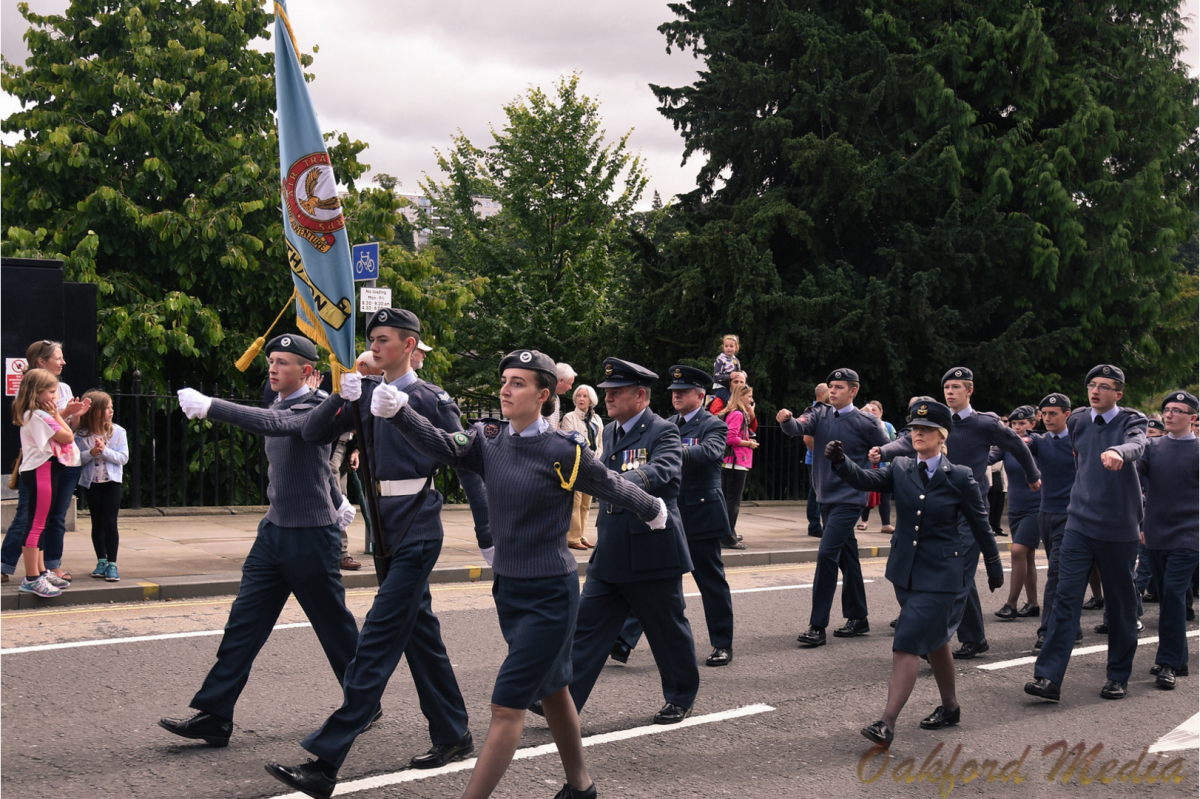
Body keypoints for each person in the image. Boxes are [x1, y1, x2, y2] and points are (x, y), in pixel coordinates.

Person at [308, 349, 667, 799]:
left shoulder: (562, 451)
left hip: (549, 597)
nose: (505, 388)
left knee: (505, 706)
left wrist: (652, 508)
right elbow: (442, 443)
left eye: (518, 382)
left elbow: (609, 483)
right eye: (504, 380)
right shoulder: (488, 439)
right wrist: (400, 413)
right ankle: (581, 786)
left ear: (543, 394)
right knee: (555, 690)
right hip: (510, 593)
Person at [272, 309, 492, 785]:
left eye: (384, 340)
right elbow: (311, 434)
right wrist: (341, 393)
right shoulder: (366, 392)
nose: (374, 347)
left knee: (375, 640)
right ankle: (453, 732)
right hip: (385, 532)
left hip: (418, 527)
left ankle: (325, 761)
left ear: (409, 346)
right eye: (371, 339)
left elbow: (467, 460)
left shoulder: (430, 397)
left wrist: (487, 534)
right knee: (421, 637)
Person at [158, 334, 362, 748]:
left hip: (310, 537)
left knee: (334, 629)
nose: (272, 368)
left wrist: (213, 406)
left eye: (283, 362)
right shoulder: (279, 401)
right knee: (243, 626)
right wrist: (338, 498)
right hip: (273, 534)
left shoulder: (312, 406)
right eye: (271, 360)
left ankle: (364, 701)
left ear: (306, 371)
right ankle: (215, 714)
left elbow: (280, 427)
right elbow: (317, 463)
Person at [828, 399, 1003, 748]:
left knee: (906, 643)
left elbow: (981, 524)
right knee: (936, 642)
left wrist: (994, 564)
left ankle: (886, 723)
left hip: (942, 575)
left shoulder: (961, 476)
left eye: (924, 430)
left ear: (941, 437)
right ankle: (951, 707)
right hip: (906, 572)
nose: (916, 434)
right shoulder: (901, 467)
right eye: (913, 429)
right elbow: (865, 478)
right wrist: (841, 462)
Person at [544, 357, 699, 725]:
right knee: (587, 626)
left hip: (651, 548)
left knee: (665, 628)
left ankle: (681, 695)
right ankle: (565, 700)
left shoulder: (663, 431)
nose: (608, 397)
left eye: (616, 392)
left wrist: (618, 484)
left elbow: (663, 470)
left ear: (641, 395)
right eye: (607, 392)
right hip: (612, 547)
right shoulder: (611, 431)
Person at [872, 367, 1041, 660]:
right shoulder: (939, 420)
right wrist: (883, 452)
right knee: (960, 576)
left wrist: (1033, 476)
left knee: (956, 574)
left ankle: (934, 640)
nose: (950, 392)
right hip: (940, 510)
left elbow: (1015, 444)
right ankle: (975, 638)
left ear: (969, 391)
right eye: (947, 387)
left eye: (956, 387)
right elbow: (906, 441)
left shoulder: (985, 423)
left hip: (970, 509)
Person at [1025, 364, 1148, 703]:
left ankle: (1118, 676)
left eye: (1105, 386)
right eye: (1092, 385)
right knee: (1066, 597)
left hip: (1119, 527)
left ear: (1118, 394)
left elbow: (1138, 444)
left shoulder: (1131, 420)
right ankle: (1048, 677)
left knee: (1121, 605)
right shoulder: (1078, 420)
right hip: (1079, 521)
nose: (1096, 391)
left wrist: (1118, 452)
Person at [613, 365, 738, 668]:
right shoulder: (665, 424)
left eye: (683, 392)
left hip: (700, 514)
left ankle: (722, 643)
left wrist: (670, 453)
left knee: (710, 582)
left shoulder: (713, 425)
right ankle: (625, 640)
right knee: (656, 579)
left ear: (701, 396)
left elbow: (710, 453)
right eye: (674, 392)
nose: (676, 396)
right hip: (667, 514)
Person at [779, 368, 891, 646]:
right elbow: (797, 427)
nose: (832, 391)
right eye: (831, 386)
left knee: (827, 555)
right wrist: (786, 420)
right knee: (847, 556)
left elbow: (890, 448)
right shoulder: (819, 413)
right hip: (824, 497)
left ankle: (817, 625)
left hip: (851, 497)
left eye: (839, 387)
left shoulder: (867, 421)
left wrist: (881, 456)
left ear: (853, 391)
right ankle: (858, 616)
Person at [0, 340, 90, 583]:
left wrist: (74, 415)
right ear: (41, 362)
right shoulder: (30, 391)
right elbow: (49, 426)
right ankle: (11, 568)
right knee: (29, 518)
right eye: (58, 358)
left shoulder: (64, 388)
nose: (63, 362)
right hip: (43, 463)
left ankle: (48, 568)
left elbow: (70, 430)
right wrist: (61, 414)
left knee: (54, 517)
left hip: (64, 461)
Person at [1136, 391, 1198, 690]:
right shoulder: (1152, 447)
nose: (1169, 414)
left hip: (1188, 535)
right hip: (1155, 533)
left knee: (1173, 595)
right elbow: (1133, 475)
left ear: (1193, 418)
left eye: (1177, 410)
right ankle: (1180, 658)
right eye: (1167, 409)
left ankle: (1168, 663)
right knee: (1165, 597)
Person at [10, 368, 80, 598]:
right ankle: (31, 578)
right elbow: (68, 436)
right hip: (42, 470)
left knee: (42, 522)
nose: (54, 396)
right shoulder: (39, 415)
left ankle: (40, 571)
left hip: (43, 470)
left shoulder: (35, 414)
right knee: (37, 524)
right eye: (51, 391)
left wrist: (57, 414)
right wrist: (60, 415)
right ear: (37, 392)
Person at [1025, 394, 1082, 652]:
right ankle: (1072, 624)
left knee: (1057, 573)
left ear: (1066, 415)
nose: (1047, 418)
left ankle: (1047, 629)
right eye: (1044, 414)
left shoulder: (1078, 441)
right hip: (1045, 514)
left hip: (1072, 516)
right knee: (1062, 573)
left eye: (1053, 414)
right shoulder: (1040, 441)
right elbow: (1019, 448)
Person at [993, 406, 1042, 620]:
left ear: (1033, 424)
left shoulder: (1039, 442)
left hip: (1037, 506)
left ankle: (1011, 603)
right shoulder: (1006, 446)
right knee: (1027, 556)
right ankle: (1033, 603)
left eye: (1022, 424)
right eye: (1014, 424)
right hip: (1015, 507)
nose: (1018, 428)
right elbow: (988, 456)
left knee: (1018, 551)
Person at [75, 391, 129, 582]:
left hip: (112, 483)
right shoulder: (80, 435)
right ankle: (101, 561)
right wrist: (91, 451)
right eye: (107, 407)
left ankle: (113, 564)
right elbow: (77, 459)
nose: (111, 410)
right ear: (96, 411)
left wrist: (104, 451)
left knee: (110, 522)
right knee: (96, 523)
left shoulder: (118, 432)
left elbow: (123, 458)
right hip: (92, 484)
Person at [560, 385, 604, 550]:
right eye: (578, 395)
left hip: (592, 465)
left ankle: (582, 535)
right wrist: (584, 460)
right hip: (576, 465)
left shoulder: (597, 419)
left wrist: (596, 459)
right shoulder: (569, 418)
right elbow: (568, 442)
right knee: (575, 502)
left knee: (586, 504)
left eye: (585, 396)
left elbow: (600, 442)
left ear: (591, 399)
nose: (581, 399)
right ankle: (573, 537)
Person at [718, 384, 756, 548]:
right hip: (736, 463)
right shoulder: (738, 414)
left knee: (727, 501)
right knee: (733, 503)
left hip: (731, 463)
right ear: (740, 397)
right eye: (749, 396)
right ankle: (727, 538)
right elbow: (730, 438)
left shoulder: (732, 413)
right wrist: (749, 443)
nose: (751, 400)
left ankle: (728, 532)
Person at [857, 401, 896, 533]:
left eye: (875, 409)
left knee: (885, 495)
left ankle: (886, 524)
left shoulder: (888, 426)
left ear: (881, 412)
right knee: (867, 493)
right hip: (868, 465)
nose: (872, 412)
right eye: (870, 409)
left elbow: (893, 444)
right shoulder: (862, 424)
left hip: (884, 465)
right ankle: (864, 521)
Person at [804, 383, 830, 537]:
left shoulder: (827, 411)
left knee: (818, 492)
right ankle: (814, 526)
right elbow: (807, 439)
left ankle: (820, 524)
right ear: (822, 394)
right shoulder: (815, 412)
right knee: (816, 493)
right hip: (815, 460)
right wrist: (822, 454)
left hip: (818, 459)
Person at [711, 334, 741, 403]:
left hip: (731, 387)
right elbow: (716, 376)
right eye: (726, 346)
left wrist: (742, 374)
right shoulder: (720, 359)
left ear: (736, 347)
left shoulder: (736, 361)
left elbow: (738, 373)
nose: (728, 348)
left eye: (731, 346)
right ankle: (725, 413)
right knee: (730, 402)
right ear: (723, 347)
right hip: (721, 387)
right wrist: (729, 376)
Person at [547, 362, 577, 429]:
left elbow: (556, 425)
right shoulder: (542, 396)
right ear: (561, 380)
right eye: (569, 383)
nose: (570, 387)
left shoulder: (556, 398)